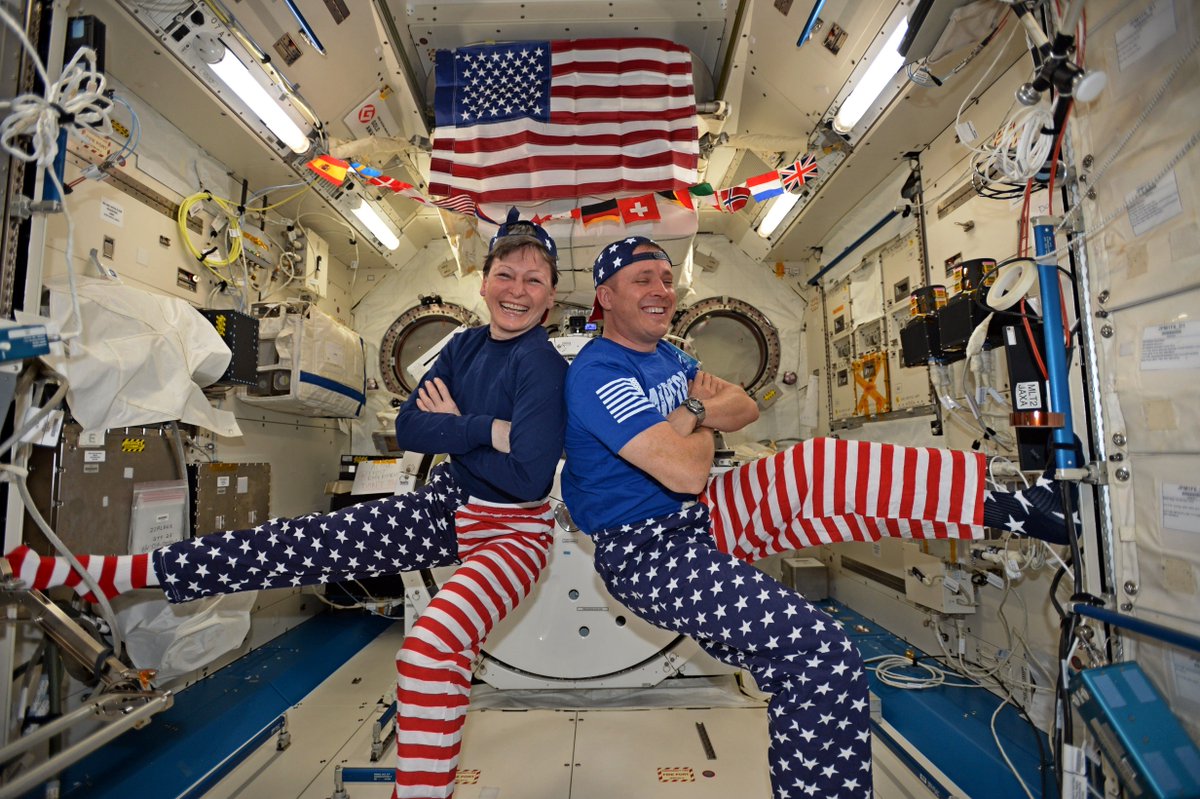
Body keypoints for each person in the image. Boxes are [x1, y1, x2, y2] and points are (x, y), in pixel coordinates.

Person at [5, 209, 568, 799]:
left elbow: (527, 478)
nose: (517, 291)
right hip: (449, 504)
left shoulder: (543, 367)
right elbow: (413, 428)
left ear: (550, 299)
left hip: (512, 533)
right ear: (484, 281)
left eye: (534, 281)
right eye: (507, 274)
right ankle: (107, 573)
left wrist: (455, 425)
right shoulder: (465, 346)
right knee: (288, 541)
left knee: (429, 651)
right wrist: (484, 429)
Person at [561, 235, 1075, 799]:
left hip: (700, 515)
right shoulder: (599, 371)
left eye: (666, 277)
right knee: (820, 654)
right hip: (649, 550)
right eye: (644, 280)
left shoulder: (668, 356)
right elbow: (684, 471)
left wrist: (692, 416)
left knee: (821, 464)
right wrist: (701, 410)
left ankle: (1018, 505)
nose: (662, 290)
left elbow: (746, 406)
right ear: (605, 296)